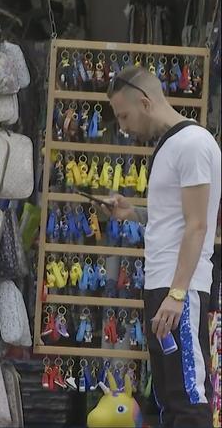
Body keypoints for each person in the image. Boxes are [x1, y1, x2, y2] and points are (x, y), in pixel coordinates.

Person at [105, 65, 221, 427]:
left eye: (124, 115)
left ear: (144, 101)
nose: (122, 125)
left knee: (187, 397)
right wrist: (134, 212)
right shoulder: (174, 145)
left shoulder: (193, 143)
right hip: (165, 288)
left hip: (179, 291)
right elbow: (175, 218)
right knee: (170, 396)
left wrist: (176, 294)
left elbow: (198, 224)